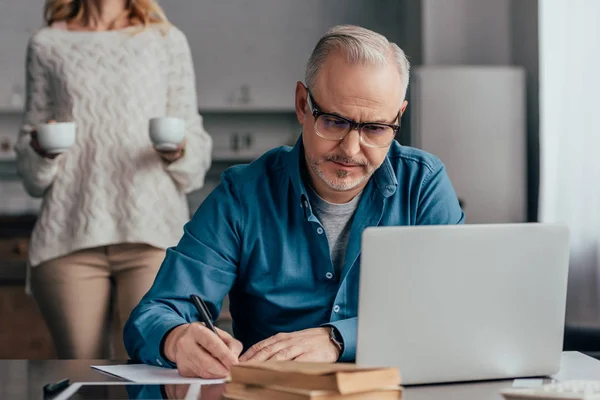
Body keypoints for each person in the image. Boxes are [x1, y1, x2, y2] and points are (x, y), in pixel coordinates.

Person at [124, 24, 464, 377]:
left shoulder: (422, 184)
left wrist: (338, 340)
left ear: (398, 118)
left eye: (375, 129)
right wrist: (177, 339)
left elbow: (457, 310)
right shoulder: (244, 195)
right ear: (303, 104)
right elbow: (153, 315)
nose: (350, 150)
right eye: (333, 122)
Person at [15, 0, 212, 359]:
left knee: (150, 368)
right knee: (80, 376)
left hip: (152, 236)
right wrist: (42, 150)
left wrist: (178, 151)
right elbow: (32, 175)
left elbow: (196, 155)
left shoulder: (166, 40)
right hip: (69, 236)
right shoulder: (47, 44)